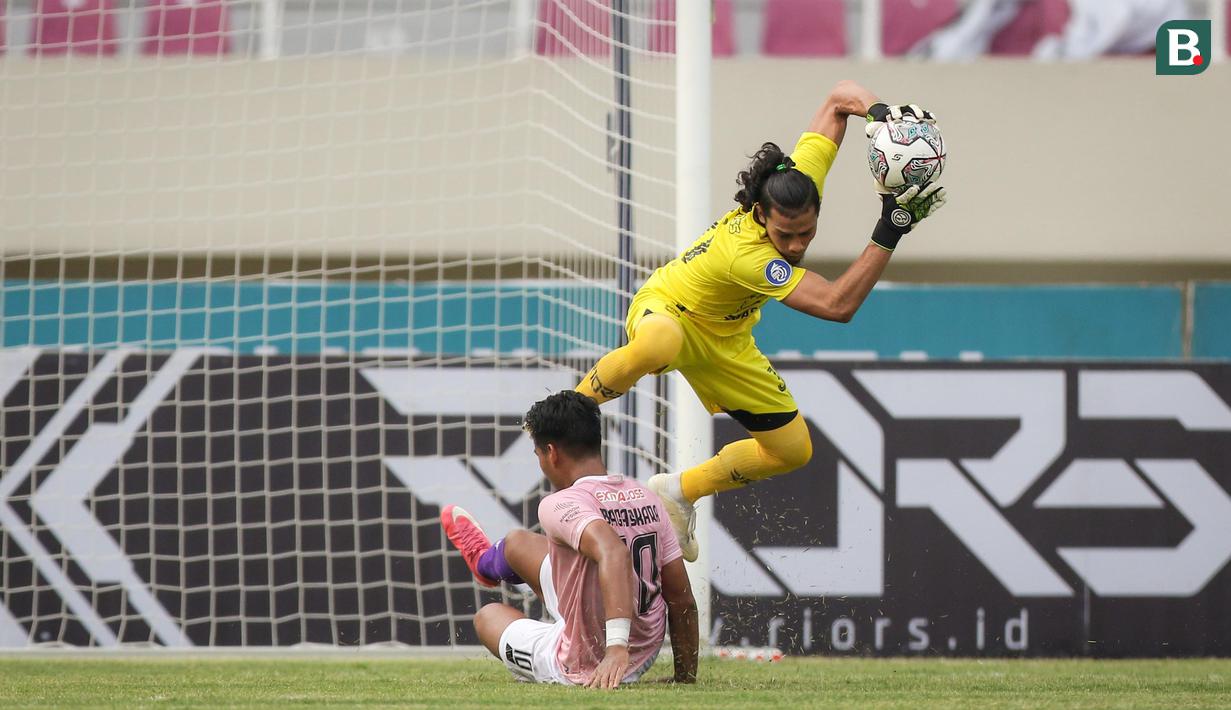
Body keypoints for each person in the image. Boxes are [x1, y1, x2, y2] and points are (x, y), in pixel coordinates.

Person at [574, 81, 948, 561]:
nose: (795, 246)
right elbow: (837, 306)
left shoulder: (799, 179)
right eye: (785, 234)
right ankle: (570, 409)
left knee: (792, 451)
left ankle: (679, 491)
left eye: (806, 233)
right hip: (669, 308)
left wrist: (880, 113)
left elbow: (837, 98)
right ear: (759, 215)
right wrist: (889, 229)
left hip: (727, 338)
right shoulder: (749, 256)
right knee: (661, 343)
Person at [440, 390, 699, 688]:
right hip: (644, 647)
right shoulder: (647, 496)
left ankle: (557, 627)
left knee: (487, 616)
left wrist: (615, 650)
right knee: (517, 543)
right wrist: (685, 678)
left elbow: (614, 552)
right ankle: (484, 563)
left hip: (586, 661)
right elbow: (680, 598)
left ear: (551, 453)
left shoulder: (559, 504)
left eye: (538, 455)